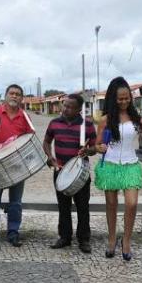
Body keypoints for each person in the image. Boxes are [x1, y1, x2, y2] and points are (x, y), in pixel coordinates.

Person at [95, 77, 142, 261]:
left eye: (127, 98)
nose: (124, 102)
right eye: (120, 99)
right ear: (113, 99)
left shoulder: (137, 119)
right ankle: (112, 239)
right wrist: (99, 147)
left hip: (131, 165)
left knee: (131, 203)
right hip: (111, 165)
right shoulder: (105, 119)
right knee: (111, 205)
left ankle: (127, 241)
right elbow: (98, 143)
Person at [0, 84, 34, 251]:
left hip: (18, 165)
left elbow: (31, 137)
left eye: (18, 94)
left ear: (21, 98)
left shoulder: (24, 115)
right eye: (11, 93)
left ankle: (13, 233)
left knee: (16, 202)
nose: (14, 96)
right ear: (5, 95)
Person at [43, 94, 96, 253]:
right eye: (64, 105)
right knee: (63, 206)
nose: (65, 109)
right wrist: (50, 157)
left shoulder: (87, 125)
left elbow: (95, 148)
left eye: (69, 106)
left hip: (80, 173)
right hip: (60, 170)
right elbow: (46, 141)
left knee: (82, 207)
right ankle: (65, 237)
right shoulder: (54, 123)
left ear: (79, 109)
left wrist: (87, 151)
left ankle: (84, 239)